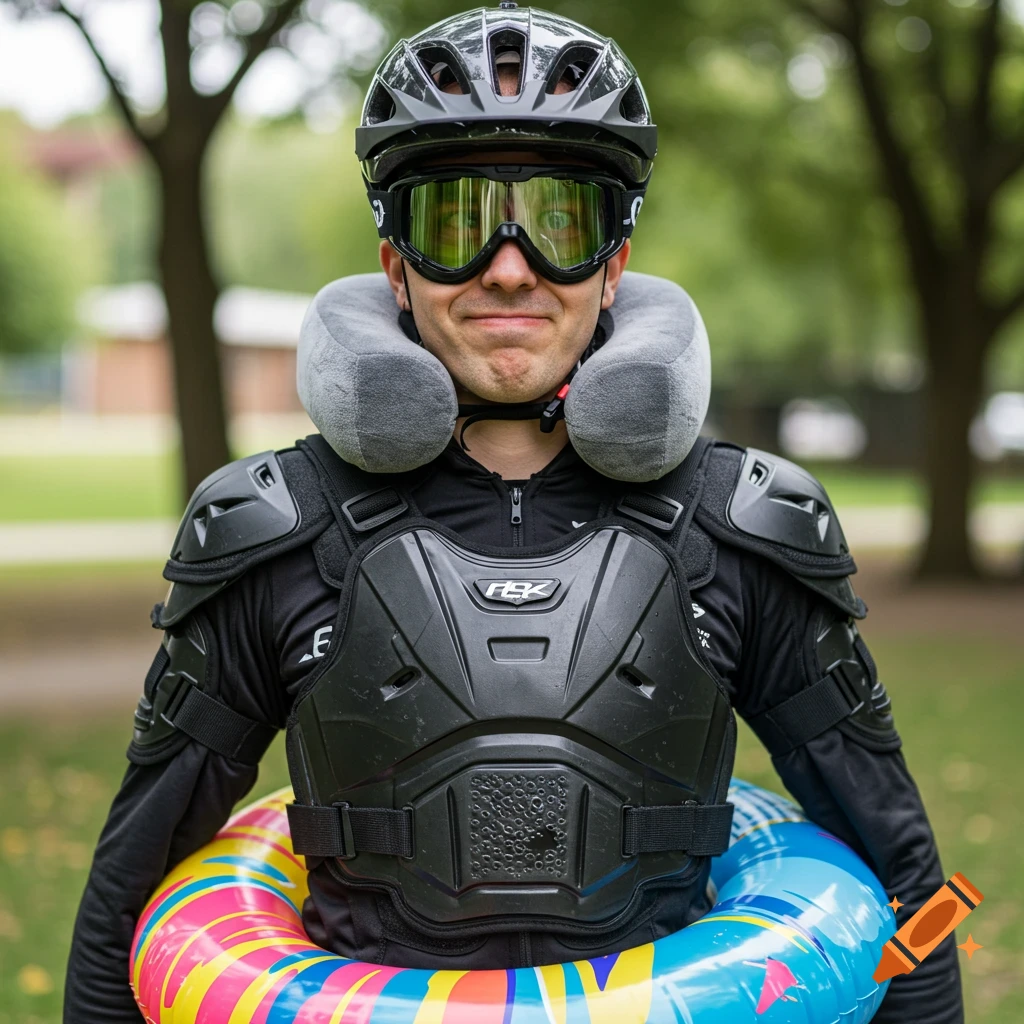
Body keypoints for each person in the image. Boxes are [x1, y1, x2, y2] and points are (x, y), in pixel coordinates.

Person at [65, 5, 963, 1022]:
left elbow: (907, 889)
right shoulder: (275, 530)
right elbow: (123, 905)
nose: (507, 265)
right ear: (395, 263)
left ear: (615, 261)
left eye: (560, 222)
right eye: (454, 218)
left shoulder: (742, 525)